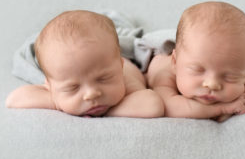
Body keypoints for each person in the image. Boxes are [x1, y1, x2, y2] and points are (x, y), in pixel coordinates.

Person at [146, 1, 245, 121]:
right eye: (197, 70)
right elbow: (168, 107)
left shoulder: (226, 63)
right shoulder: (166, 76)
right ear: (175, 63)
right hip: (158, 58)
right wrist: (222, 108)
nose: (212, 84)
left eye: (230, 76)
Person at [6, 10, 164, 118]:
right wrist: (58, 102)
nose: (91, 94)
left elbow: (152, 105)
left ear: (120, 66)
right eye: (72, 88)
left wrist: (105, 112)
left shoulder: (126, 80)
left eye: (104, 79)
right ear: (49, 86)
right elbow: (13, 99)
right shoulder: (56, 86)